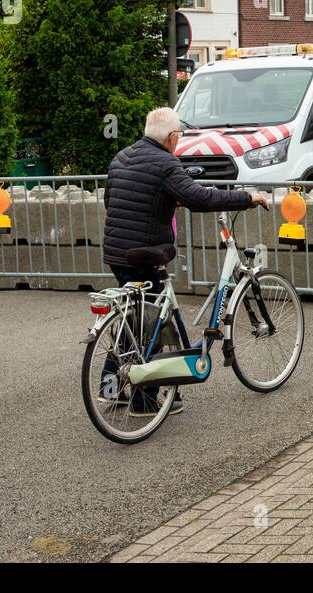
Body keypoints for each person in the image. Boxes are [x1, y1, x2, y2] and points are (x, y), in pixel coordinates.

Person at [102, 107, 270, 415]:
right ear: (170, 137)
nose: (178, 142)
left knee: (134, 318)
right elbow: (200, 199)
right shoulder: (166, 163)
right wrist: (247, 198)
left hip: (116, 251)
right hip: (145, 252)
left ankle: (110, 387)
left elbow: (112, 200)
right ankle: (145, 401)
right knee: (150, 321)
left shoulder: (122, 157)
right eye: (178, 136)